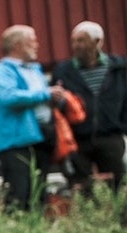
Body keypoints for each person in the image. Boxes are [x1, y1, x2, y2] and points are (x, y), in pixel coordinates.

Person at [0, 24, 69, 211]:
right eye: (32, 41)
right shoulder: (0, 72)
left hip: (41, 139)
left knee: (39, 195)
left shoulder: (35, 71)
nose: (36, 45)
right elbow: (9, 97)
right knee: (18, 196)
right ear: (17, 45)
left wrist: (56, 100)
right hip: (15, 142)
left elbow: (42, 101)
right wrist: (46, 94)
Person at [52, 21, 127, 195]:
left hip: (111, 136)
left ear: (98, 42)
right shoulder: (63, 71)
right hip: (78, 139)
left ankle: (119, 220)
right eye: (74, 41)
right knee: (81, 187)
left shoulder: (119, 68)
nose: (76, 46)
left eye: (81, 41)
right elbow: (55, 108)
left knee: (118, 185)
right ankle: (88, 220)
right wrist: (60, 101)